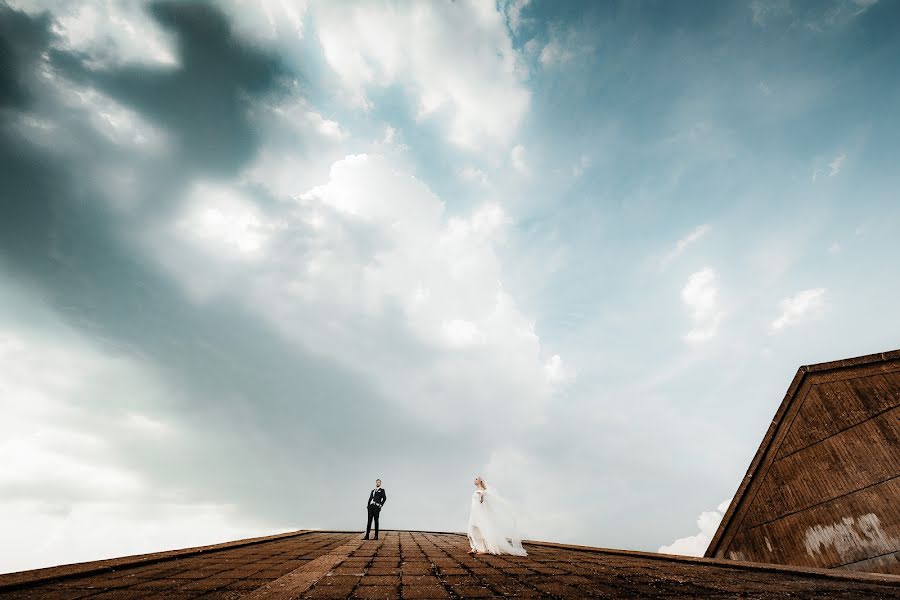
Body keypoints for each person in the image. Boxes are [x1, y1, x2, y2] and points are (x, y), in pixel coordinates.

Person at [467, 476, 527, 556]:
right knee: (471, 530)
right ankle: (474, 548)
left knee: (480, 531)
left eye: (476, 479)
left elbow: (482, 501)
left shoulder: (483, 491)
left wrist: (482, 497)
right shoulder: (477, 491)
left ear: (481, 481)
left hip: (479, 514)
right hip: (473, 513)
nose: (475, 480)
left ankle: (483, 549)